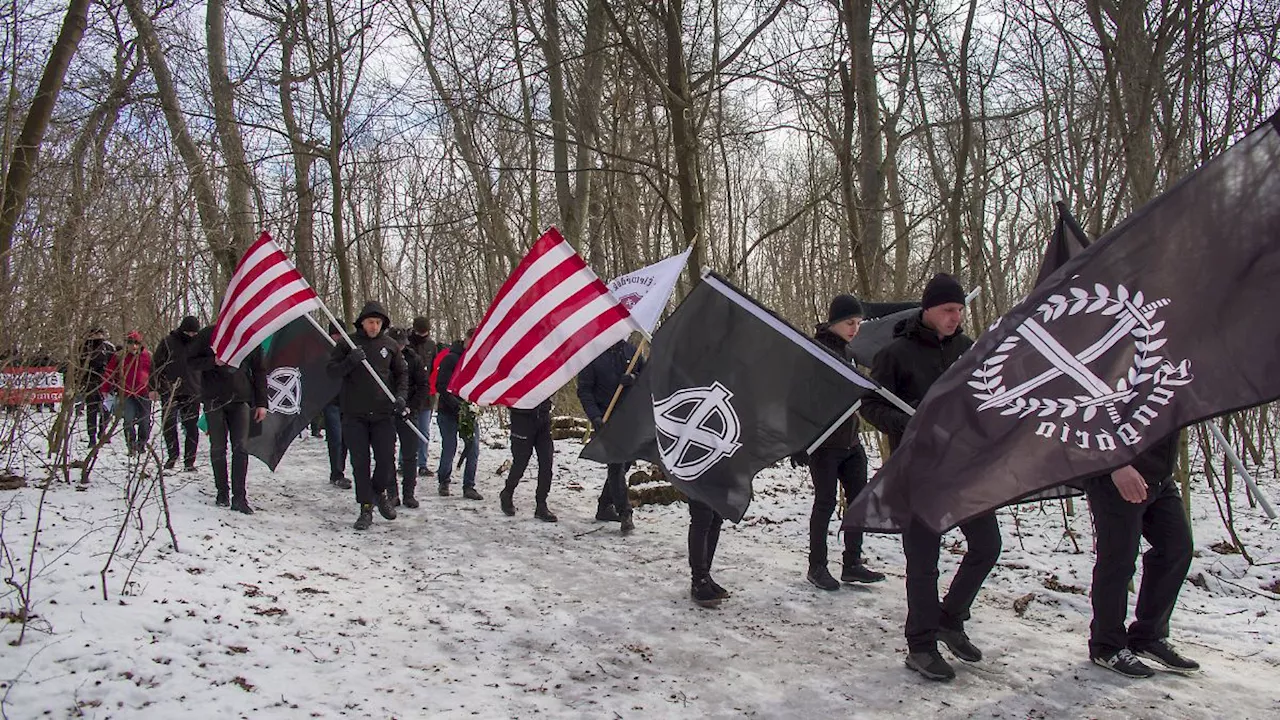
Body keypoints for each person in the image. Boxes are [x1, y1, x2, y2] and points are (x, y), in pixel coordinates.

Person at [860, 273, 1001, 682]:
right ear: (928, 310)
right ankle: (920, 646)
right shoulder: (896, 353)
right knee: (924, 561)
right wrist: (905, 421)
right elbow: (868, 406)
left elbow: (981, 396)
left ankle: (950, 619)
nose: (955, 317)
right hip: (916, 470)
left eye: (959, 310)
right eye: (947, 310)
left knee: (987, 544)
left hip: (962, 468)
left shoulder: (966, 349)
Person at [1085, 433, 1199, 678]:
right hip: (1116, 476)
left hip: (1159, 475)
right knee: (1119, 561)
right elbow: (1087, 414)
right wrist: (1115, 464)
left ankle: (1148, 636)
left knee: (1176, 548)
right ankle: (1106, 645)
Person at [799, 294, 886, 590]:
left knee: (858, 502)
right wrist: (801, 439)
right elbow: (803, 398)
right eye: (850, 323)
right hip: (824, 444)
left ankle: (852, 563)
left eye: (859, 323)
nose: (855, 328)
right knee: (824, 503)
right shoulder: (817, 351)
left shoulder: (851, 352)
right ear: (835, 322)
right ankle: (817, 566)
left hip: (851, 441)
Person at [328, 301, 408, 530]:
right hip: (355, 414)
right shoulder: (348, 344)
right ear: (362, 322)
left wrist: (401, 397)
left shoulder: (390, 345)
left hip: (383, 413)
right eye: (370, 322)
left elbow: (402, 374)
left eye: (378, 322)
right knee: (360, 462)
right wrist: (349, 361)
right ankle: (365, 508)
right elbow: (331, 371)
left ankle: (379, 492)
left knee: (385, 460)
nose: (374, 326)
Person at [189, 326, 267, 513]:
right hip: (213, 399)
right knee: (218, 446)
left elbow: (259, 370)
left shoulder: (249, 335)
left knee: (241, 447)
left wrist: (262, 403)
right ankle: (222, 491)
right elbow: (190, 361)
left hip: (241, 398)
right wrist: (212, 361)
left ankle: (239, 497)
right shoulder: (208, 335)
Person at [576, 340, 645, 532]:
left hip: (630, 418)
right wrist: (595, 417)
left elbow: (648, 378)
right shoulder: (593, 355)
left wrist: (634, 378)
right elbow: (584, 390)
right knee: (616, 465)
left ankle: (604, 506)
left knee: (625, 464)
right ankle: (625, 513)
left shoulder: (632, 351)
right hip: (606, 420)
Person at [434, 330, 481, 500]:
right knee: (449, 446)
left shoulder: (476, 360)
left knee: (473, 448)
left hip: (469, 411)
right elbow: (442, 386)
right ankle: (444, 480)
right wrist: (457, 406)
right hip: (448, 411)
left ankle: (469, 485)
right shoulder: (451, 359)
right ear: (466, 340)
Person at [152, 315, 202, 471]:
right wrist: (153, 387)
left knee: (191, 427)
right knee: (169, 424)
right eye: (189, 333)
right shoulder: (168, 342)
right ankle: (172, 456)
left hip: (192, 390)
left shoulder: (200, 344)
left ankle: (189, 461)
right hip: (170, 389)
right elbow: (156, 364)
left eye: (195, 333)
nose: (192, 336)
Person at [388, 327, 430, 508]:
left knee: (410, 455)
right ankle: (391, 493)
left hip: (408, 412)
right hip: (387, 412)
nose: (400, 347)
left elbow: (423, 386)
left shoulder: (414, 360)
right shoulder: (383, 359)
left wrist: (412, 408)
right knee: (387, 454)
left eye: (402, 344)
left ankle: (409, 494)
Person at [499, 398, 558, 522]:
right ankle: (507, 492)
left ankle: (541, 504)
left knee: (546, 462)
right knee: (520, 462)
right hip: (522, 419)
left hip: (543, 419)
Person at [101, 331, 153, 457]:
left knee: (144, 421)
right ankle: (131, 445)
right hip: (126, 393)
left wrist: (154, 389)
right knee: (128, 421)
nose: (133, 347)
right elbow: (109, 372)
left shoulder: (148, 356)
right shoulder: (119, 356)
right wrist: (105, 388)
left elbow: (155, 373)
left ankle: (141, 444)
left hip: (143, 393)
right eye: (130, 343)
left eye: (136, 343)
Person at [407, 316, 438, 477]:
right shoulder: (406, 344)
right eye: (421, 332)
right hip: (410, 395)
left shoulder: (431, 345)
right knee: (408, 430)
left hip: (426, 396)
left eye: (426, 333)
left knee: (424, 430)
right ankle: (403, 462)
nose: (423, 335)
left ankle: (423, 463)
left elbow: (434, 368)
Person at [322, 321, 351, 489]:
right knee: (335, 438)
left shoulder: (348, 350)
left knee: (345, 439)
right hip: (331, 401)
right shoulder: (325, 350)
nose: (339, 337)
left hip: (347, 400)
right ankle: (336, 472)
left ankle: (340, 469)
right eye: (336, 334)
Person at [688, 499, 730, 607]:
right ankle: (699, 580)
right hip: (696, 482)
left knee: (716, 516)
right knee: (702, 516)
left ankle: (705, 576)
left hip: (717, 481)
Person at [79, 327, 116, 445]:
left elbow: (114, 364)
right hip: (90, 383)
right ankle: (92, 436)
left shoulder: (109, 347)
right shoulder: (84, 348)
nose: (98, 336)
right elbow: (79, 365)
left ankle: (102, 431)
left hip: (107, 383)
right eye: (95, 334)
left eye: (100, 334)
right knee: (92, 411)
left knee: (107, 410)